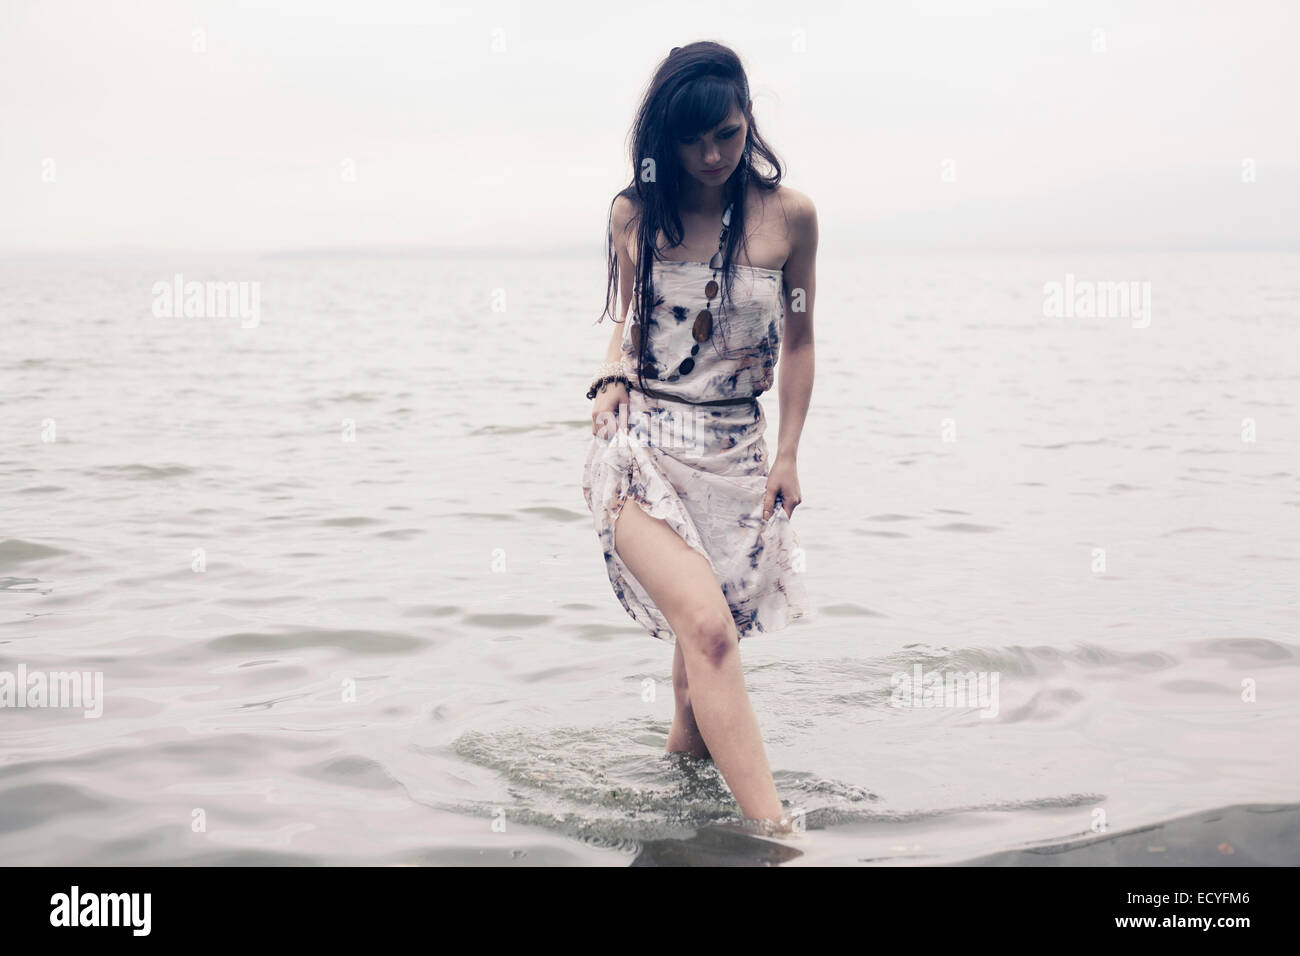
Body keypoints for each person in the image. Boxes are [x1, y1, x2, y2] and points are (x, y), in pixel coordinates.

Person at [581, 41, 817, 835]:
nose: (713, 155)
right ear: (665, 139)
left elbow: (803, 341)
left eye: (726, 131)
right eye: (693, 140)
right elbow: (629, 318)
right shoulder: (635, 212)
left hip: (737, 457)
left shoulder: (791, 219)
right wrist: (611, 372)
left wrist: (787, 454)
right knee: (711, 634)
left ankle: (680, 820)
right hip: (641, 448)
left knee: (693, 677)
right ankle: (778, 839)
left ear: (747, 114)